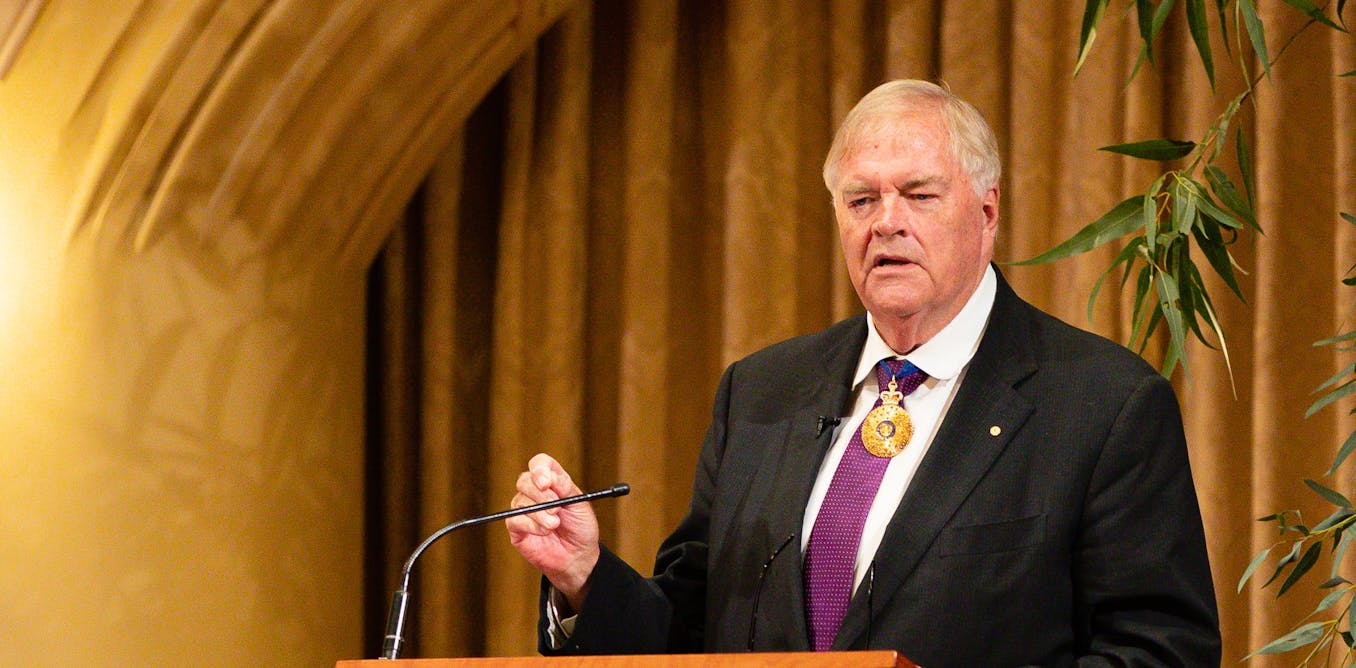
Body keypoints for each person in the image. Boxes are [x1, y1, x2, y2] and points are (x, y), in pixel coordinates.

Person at [505, 79, 1220, 666]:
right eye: (862, 200)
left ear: (987, 211)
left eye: (920, 194)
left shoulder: (1103, 405)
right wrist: (584, 577)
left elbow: (1163, 651)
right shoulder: (759, 394)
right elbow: (692, 634)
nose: (887, 222)